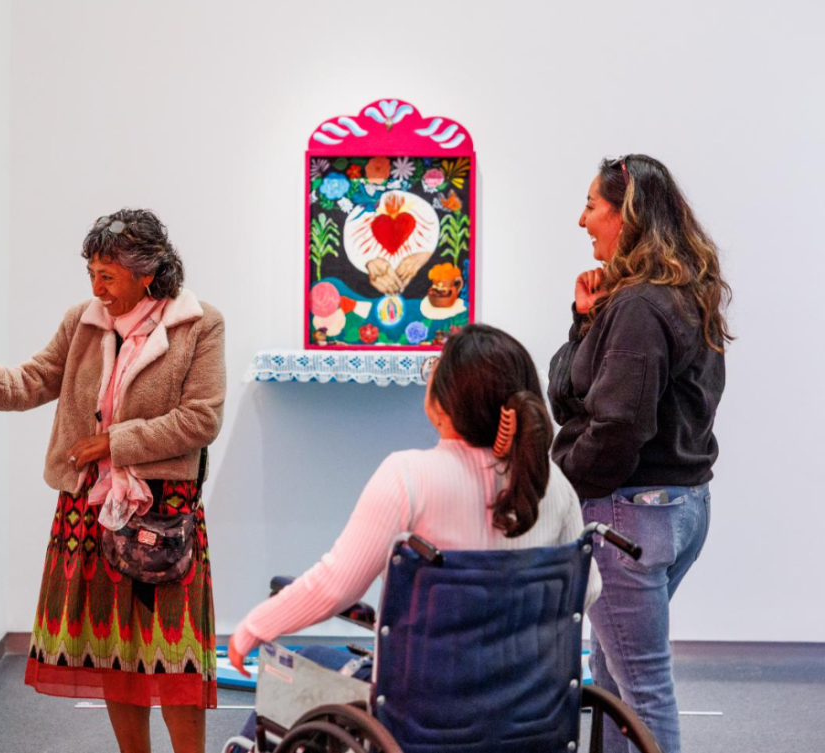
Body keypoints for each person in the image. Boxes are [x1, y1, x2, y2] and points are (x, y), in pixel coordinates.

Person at [0, 208, 226, 753]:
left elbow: (201, 419)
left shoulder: (199, 324)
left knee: (176, 657)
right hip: (88, 510)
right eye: (92, 273)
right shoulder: (83, 321)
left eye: (108, 275)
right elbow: (26, 383)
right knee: (115, 652)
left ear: (148, 273)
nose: (97, 287)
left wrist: (114, 442)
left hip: (162, 513)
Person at [229, 323, 602, 676]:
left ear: (444, 402)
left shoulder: (408, 477)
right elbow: (590, 589)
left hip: (425, 702)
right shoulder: (551, 485)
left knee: (301, 668)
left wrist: (255, 625)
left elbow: (335, 586)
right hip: (525, 701)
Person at [548, 155, 731, 753]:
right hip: (678, 509)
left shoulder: (639, 308)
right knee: (615, 676)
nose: (581, 220)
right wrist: (584, 319)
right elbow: (576, 388)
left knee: (641, 688)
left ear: (625, 216)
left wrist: (559, 488)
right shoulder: (683, 294)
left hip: (629, 518)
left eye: (592, 207)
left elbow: (618, 425)